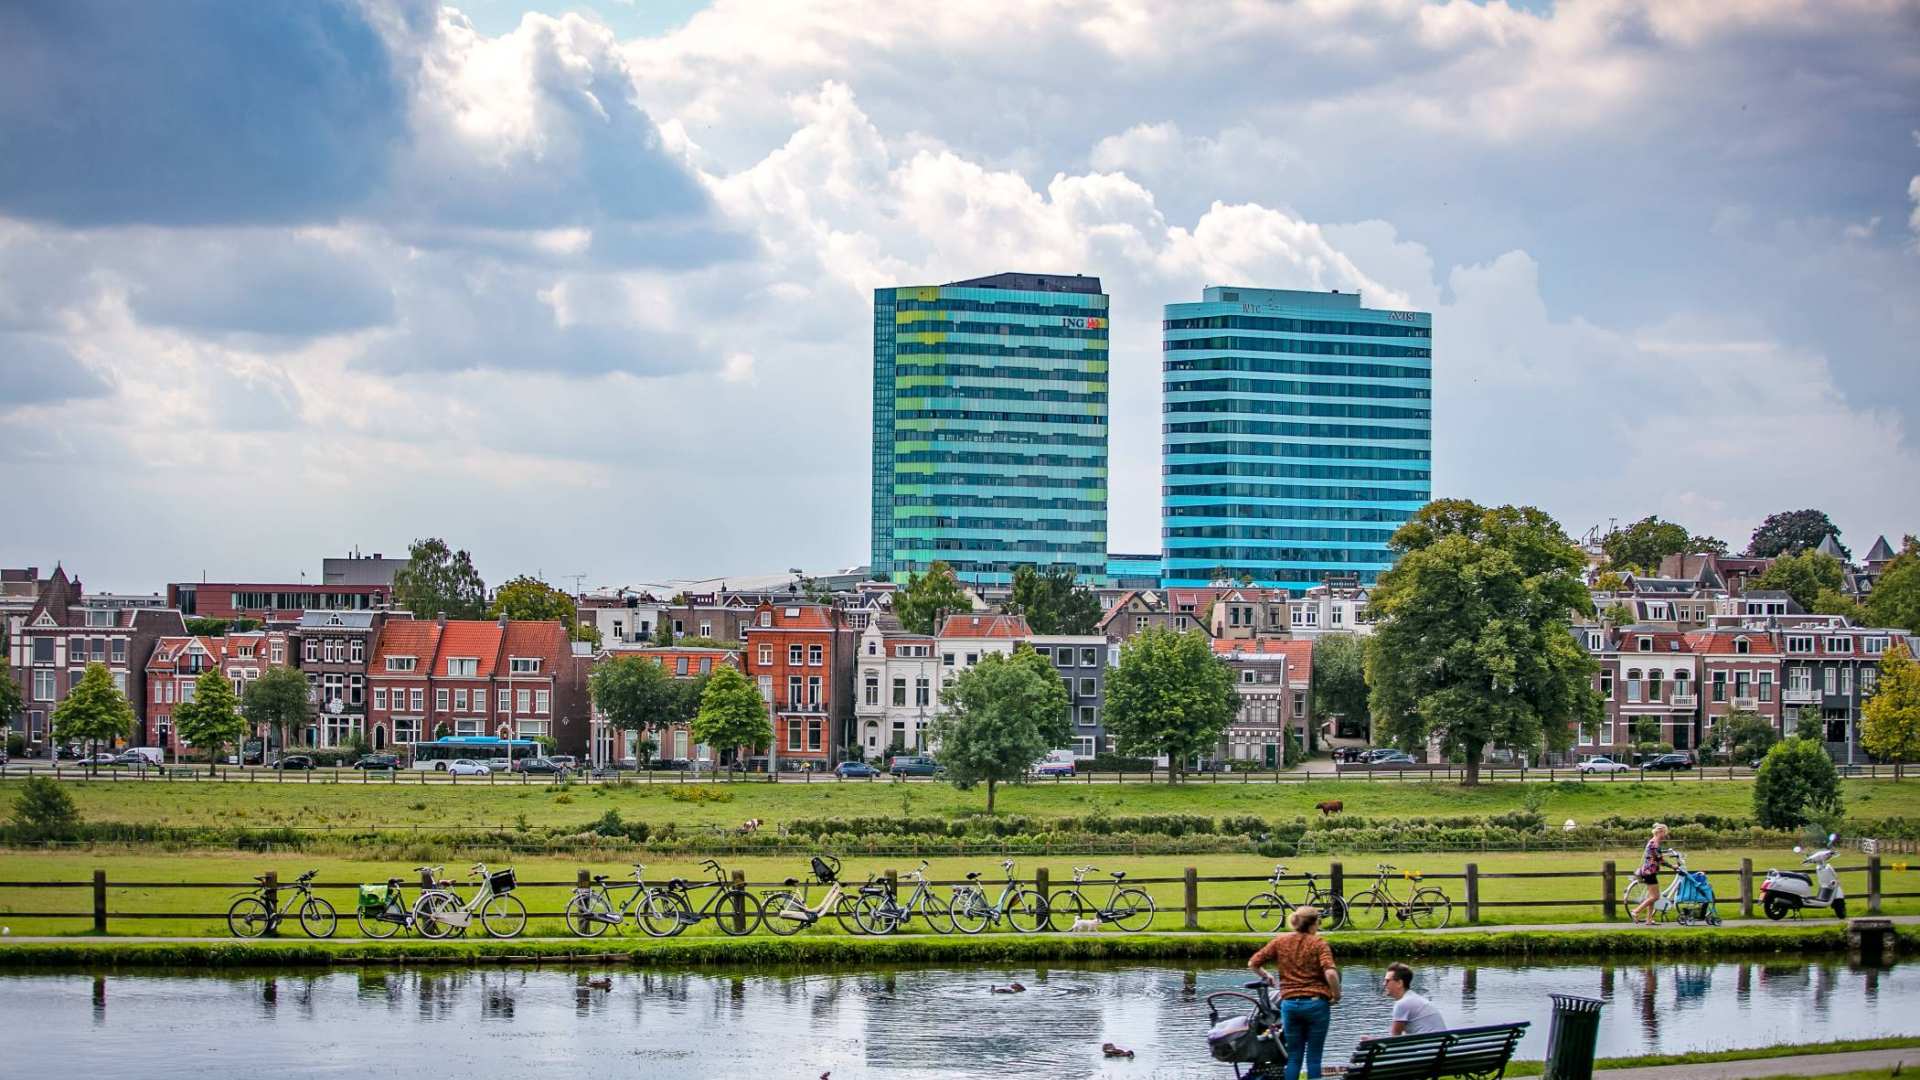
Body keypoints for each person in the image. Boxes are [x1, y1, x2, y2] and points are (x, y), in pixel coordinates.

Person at [1248, 905, 1341, 1080]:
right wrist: (1336, 995)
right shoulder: (1319, 943)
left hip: (1290, 1005)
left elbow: (1253, 962)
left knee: (1294, 1057)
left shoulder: (1281, 941)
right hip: (1316, 1004)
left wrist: (1266, 976)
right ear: (1313, 924)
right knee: (1314, 1058)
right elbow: (1330, 972)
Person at [1382, 963, 1446, 1036]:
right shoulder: (1415, 998)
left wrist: (1369, 1040)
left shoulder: (1402, 1003)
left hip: (1424, 1046)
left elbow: (1394, 1038)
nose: (1384, 984)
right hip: (1438, 1045)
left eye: (1387, 981)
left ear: (1399, 983)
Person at [1630, 822, 1671, 925]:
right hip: (1650, 872)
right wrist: (1673, 866)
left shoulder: (1653, 842)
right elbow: (1659, 859)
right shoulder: (1654, 844)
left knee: (1651, 897)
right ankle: (1635, 911)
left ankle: (1649, 920)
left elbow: (1657, 856)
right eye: (1664, 833)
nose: (1664, 835)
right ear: (1659, 832)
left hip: (1648, 871)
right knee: (1655, 897)